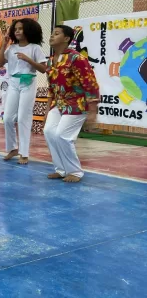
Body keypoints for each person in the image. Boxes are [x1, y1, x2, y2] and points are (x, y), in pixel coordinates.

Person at [44, 25, 99, 183]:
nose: (52, 36)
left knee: (62, 135)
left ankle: (75, 171)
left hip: (77, 104)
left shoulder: (77, 58)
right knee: (49, 132)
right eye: (52, 33)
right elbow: (51, 87)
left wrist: (92, 110)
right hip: (59, 104)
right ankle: (61, 169)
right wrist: (48, 109)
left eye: (56, 34)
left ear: (67, 38)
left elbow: (90, 83)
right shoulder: (50, 61)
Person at [0, 18, 47, 165]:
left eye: (21, 28)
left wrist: (28, 59)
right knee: (7, 118)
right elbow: (0, 63)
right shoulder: (11, 48)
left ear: (29, 30)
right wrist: (4, 44)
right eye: (16, 29)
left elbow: (43, 69)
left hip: (28, 82)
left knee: (23, 117)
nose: (17, 31)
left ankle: (24, 153)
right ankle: (12, 148)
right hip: (13, 82)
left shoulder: (34, 48)